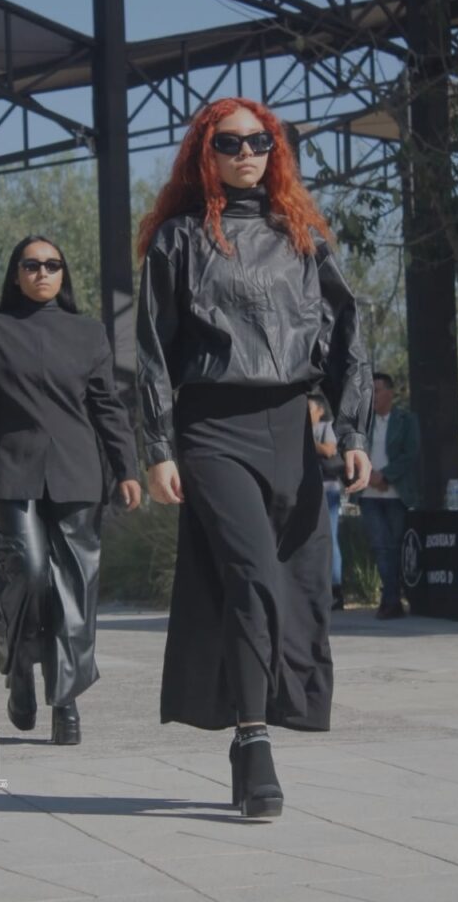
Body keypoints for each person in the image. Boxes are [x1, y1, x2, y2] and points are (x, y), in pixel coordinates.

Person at [136, 96, 372, 818]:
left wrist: (354, 432)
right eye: (229, 143)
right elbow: (151, 350)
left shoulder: (302, 237)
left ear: (276, 152)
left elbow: (346, 334)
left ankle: (257, 726)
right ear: (203, 154)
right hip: (211, 429)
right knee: (250, 575)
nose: (246, 154)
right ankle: (251, 737)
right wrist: (157, 447)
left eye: (259, 142)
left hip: (289, 430)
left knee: (297, 587)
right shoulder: (178, 240)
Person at [0, 235, 141, 745]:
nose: (42, 272)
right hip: (11, 473)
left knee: (74, 592)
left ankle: (65, 700)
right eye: (31, 265)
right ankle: (18, 664)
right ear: (16, 274)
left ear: (63, 274)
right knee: (30, 572)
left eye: (52, 265)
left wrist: (127, 468)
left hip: (77, 473)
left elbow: (107, 406)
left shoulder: (89, 333)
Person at [359, 372, 421, 620]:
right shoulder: (363, 421)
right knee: (380, 547)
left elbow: (410, 454)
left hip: (396, 494)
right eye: (369, 391)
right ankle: (391, 600)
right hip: (368, 494)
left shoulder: (406, 420)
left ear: (390, 392)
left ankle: (391, 600)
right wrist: (370, 477)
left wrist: (384, 476)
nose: (373, 395)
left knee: (394, 548)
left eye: (377, 390)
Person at [308, 394, 345, 610]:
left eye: (310, 409)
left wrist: (306, 442)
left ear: (320, 411)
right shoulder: (298, 428)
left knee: (330, 537)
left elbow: (329, 450)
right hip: (306, 488)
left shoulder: (326, 427)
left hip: (328, 489)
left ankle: (336, 587)